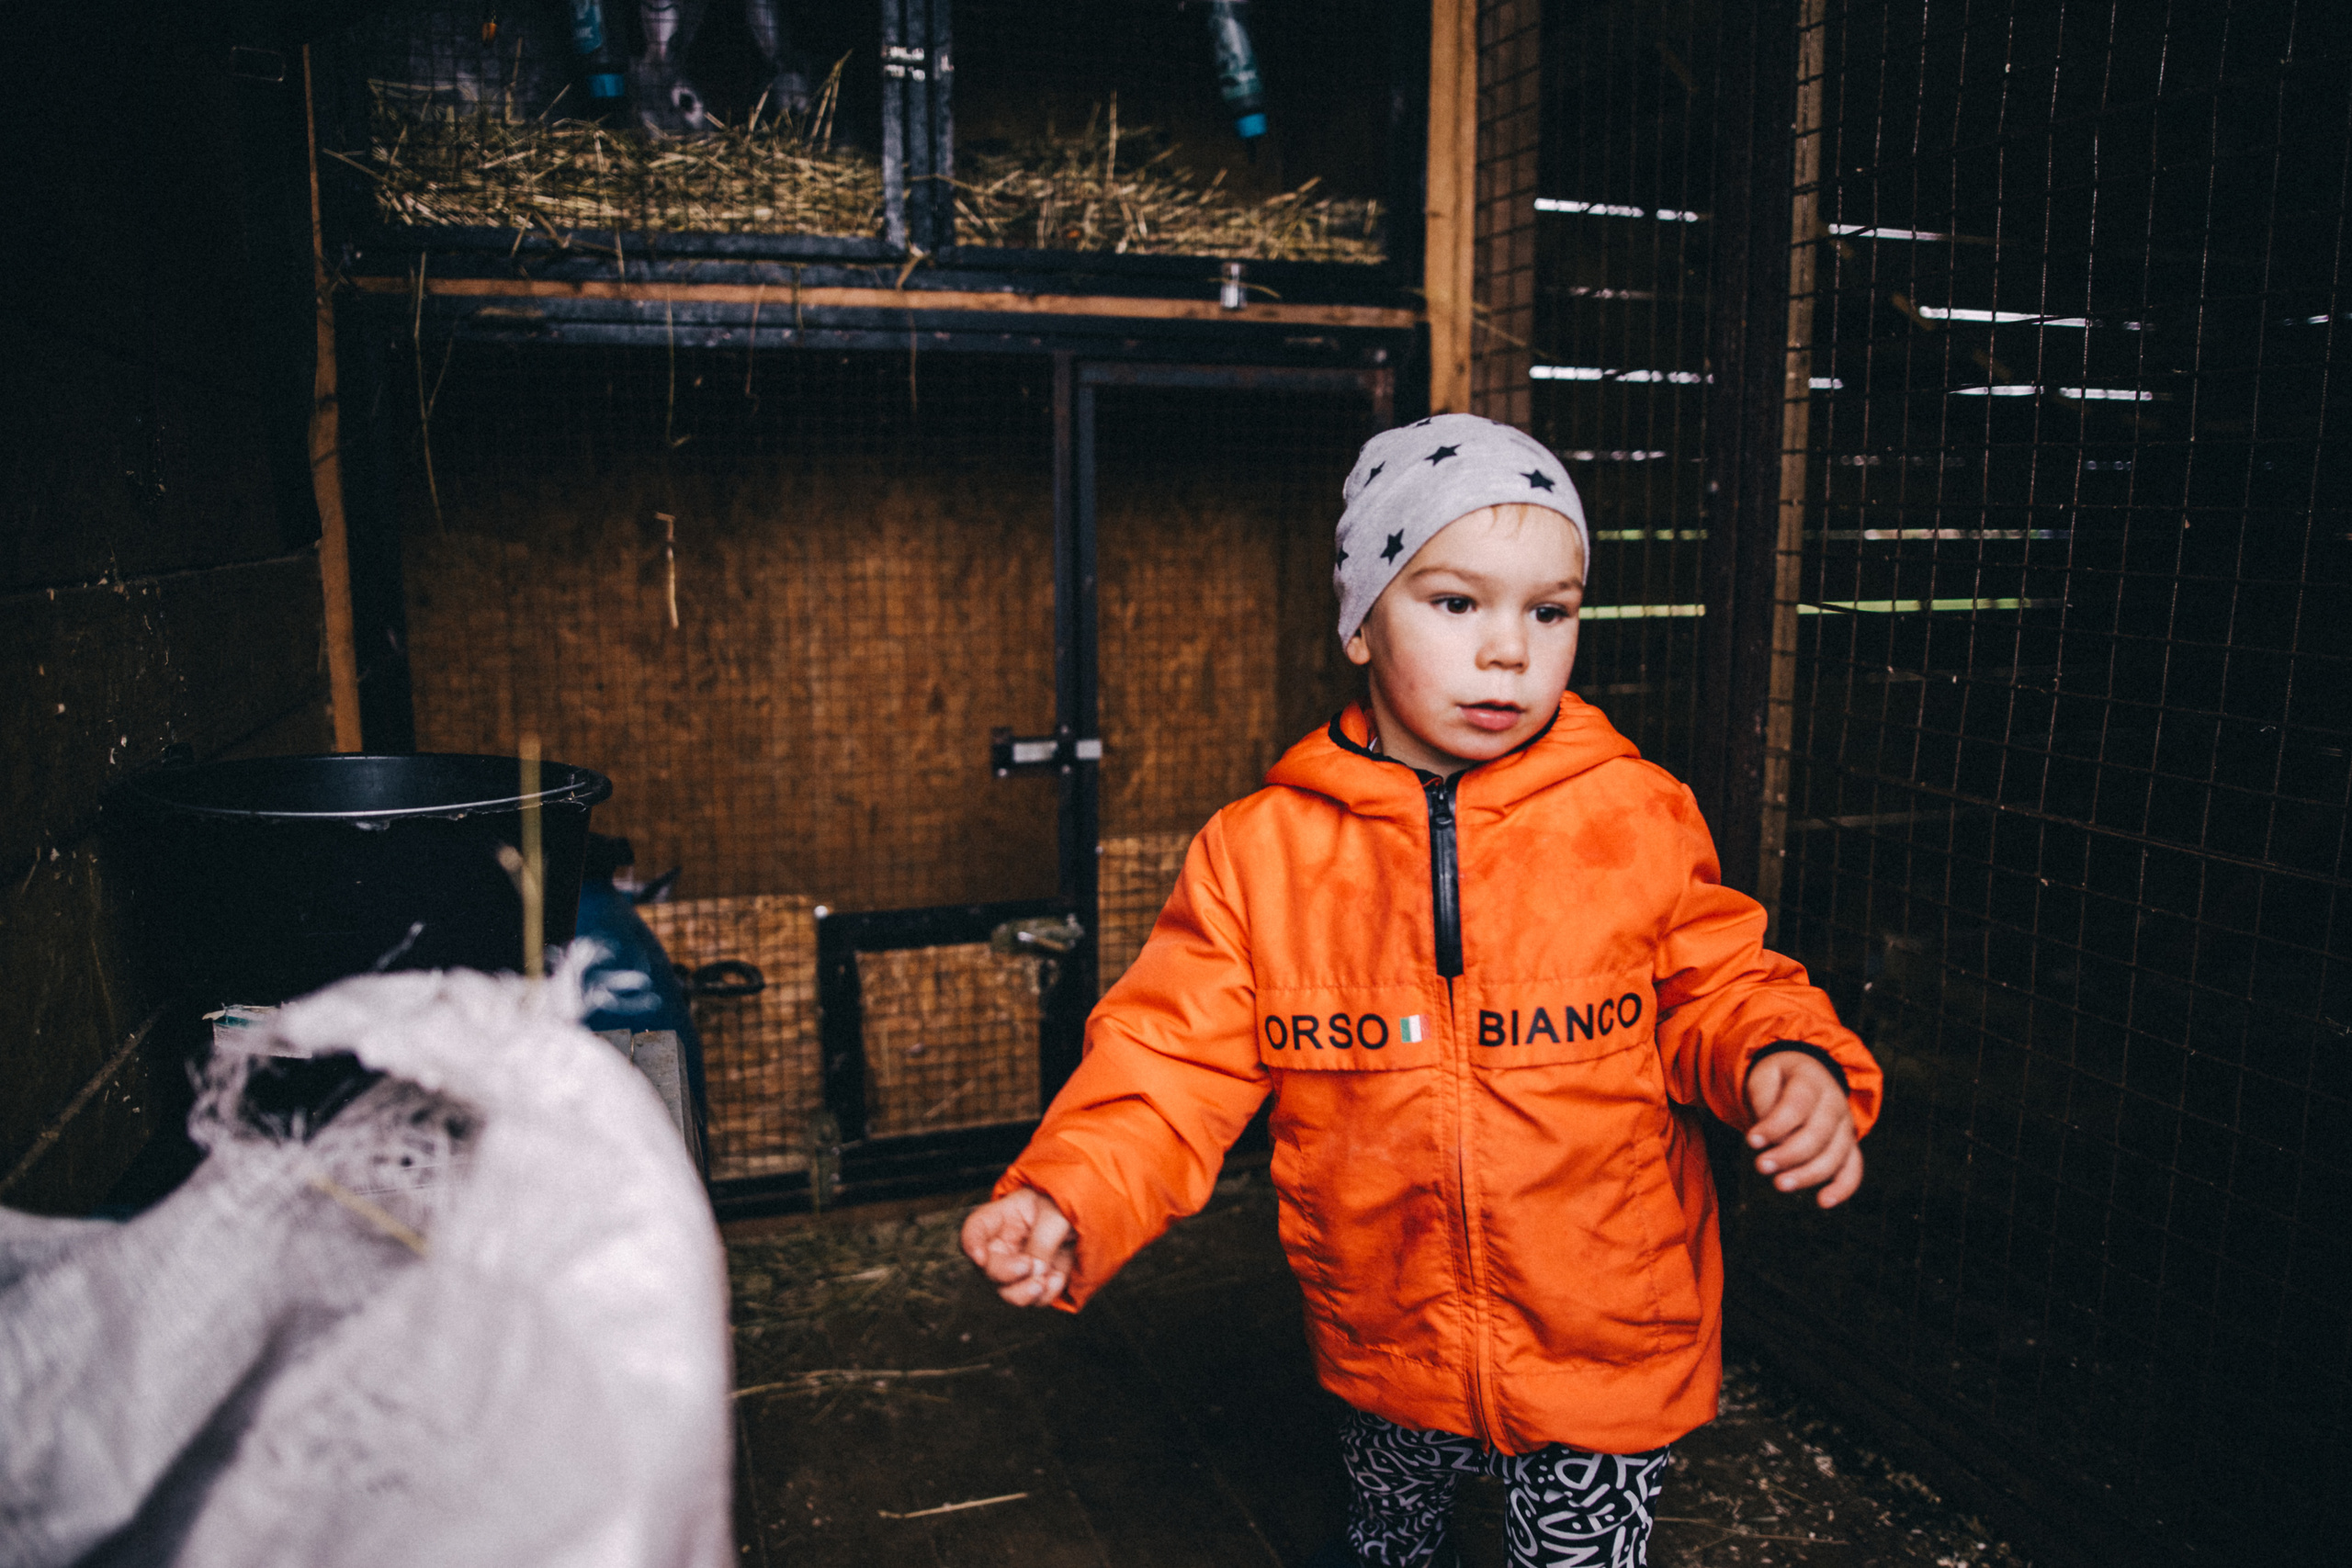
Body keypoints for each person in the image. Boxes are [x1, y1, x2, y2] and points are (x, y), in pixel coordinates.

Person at [961, 413, 1883, 1568]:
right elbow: (1169, 1061)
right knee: (1390, 1546)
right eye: (1456, 604)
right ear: (1360, 620)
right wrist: (1070, 1197)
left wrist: (1783, 1059)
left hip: (1602, 1331)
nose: (1509, 651)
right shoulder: (1263, 855)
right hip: (1389, 1327)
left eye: (1549, 613)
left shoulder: (1634, 816)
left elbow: (1716, 986)